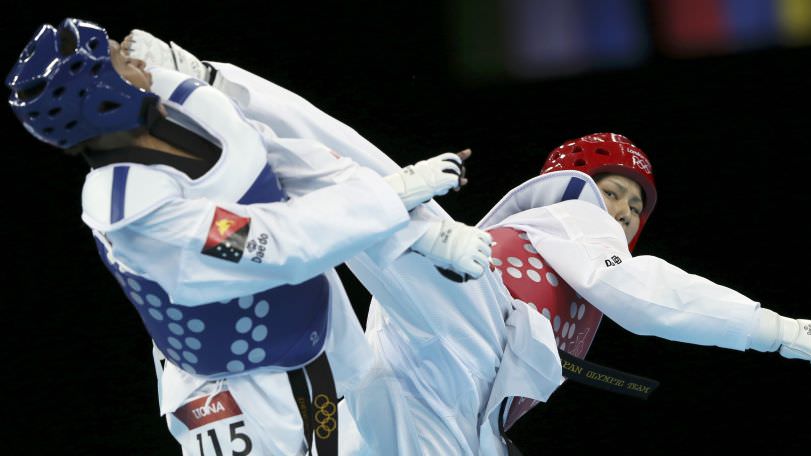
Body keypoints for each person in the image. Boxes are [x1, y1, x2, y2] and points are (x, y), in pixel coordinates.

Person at [123, 31, 811, 456]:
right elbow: (647, 297)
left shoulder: (570, 259)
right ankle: (193, 80)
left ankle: (196, 107)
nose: (618, 211)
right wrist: (769, 329)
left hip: (436, 395)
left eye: (633, 205)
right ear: (576, 182)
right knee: (358, 183)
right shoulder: (572, 213)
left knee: (350, 195)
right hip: (471, 314)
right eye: (613, 191)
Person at [6, 18, 494, 456]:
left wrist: (412, 232)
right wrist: (391, 195)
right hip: (233, 388)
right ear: (103, 98)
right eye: (117, 57)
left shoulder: (181, 99)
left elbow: (291, 166)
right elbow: (273, 246)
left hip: (315, 323)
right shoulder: (136, 213)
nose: (133, 54)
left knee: (376, 435)